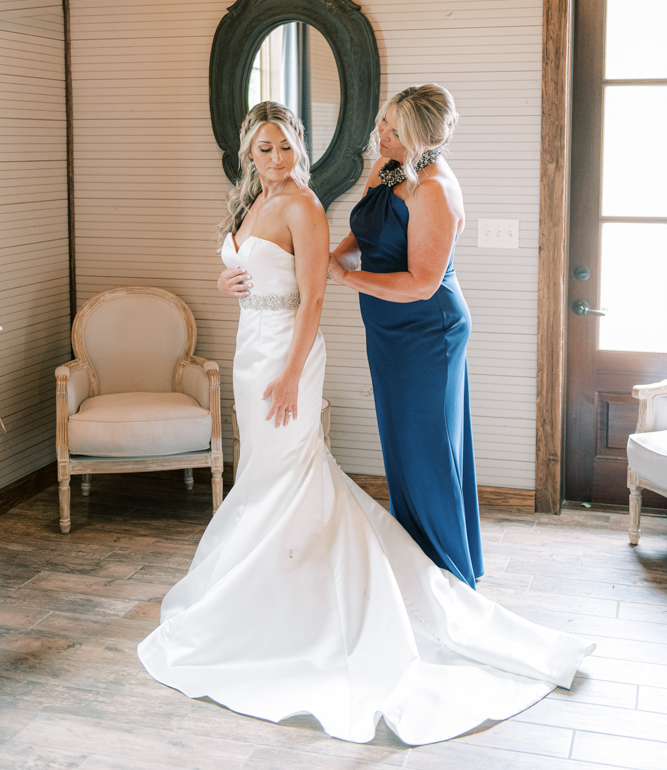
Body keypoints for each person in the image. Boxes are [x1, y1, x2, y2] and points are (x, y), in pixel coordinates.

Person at [138, 101, 594, 746]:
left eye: (285, 147)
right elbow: (275, 264)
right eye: (263, 149)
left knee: (403, 456)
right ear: (248, 153)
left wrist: (302, 356)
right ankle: (313, 576)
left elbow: (363, 284)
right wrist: (229, 280)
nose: (276, 159)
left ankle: (438, 575)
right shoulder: (361, 179)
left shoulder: (392, 192)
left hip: (387, 335)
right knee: (305, 468)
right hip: (267, 347)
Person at [328, 84, 481, 588]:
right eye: (383, 123)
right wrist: (329, 258)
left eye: (394, 130)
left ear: (421, 138)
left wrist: (346, 279)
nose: (381, 134)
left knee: (428, 447)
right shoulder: (387, 169)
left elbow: (420, 283)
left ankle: (446, 572)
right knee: (402, 445)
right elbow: (364, 237)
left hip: (427, 331)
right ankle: (414, 559)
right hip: (387, 328)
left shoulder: (434, 188)